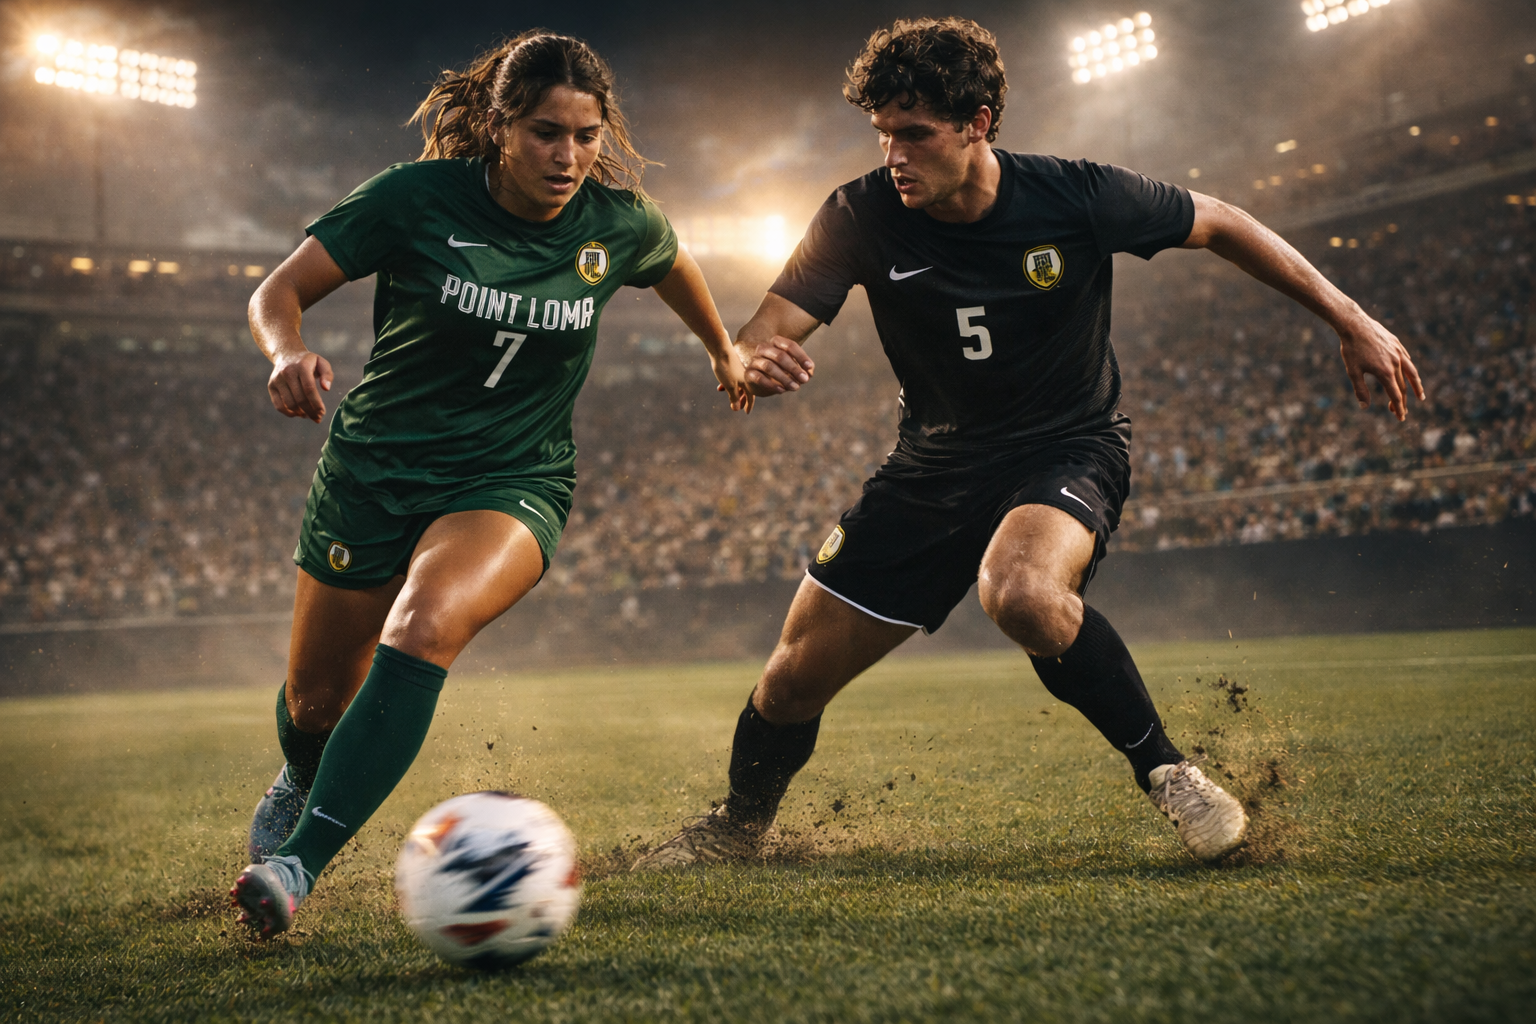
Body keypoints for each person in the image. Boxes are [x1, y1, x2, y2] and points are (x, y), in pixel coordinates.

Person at [633, 17, 1421, 870]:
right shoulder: (858, 214)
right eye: (884, 134)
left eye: (915, 134)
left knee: (1020, 593)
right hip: (931, 468)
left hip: (1066, 445)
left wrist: (1351, 318)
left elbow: (1223, 220)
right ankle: (737, 829)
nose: (894, 154)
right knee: (788, 683)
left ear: (978, 123)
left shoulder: (1076, 195)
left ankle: (1168, 772)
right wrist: (747, 354)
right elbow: (766, 327)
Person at [232, 30, 750, 938]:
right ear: (501, 127)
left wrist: (724, 348)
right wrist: (287, 354)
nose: (570, 156)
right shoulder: (412, 198)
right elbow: (277, 290)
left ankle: (296, 866)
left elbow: (675, 265)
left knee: (425, 625)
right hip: (375, 472)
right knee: (316, 701)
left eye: (587, 136)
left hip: (514, 477)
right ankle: (303, 777)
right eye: (548, 133)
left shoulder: (618, 222)